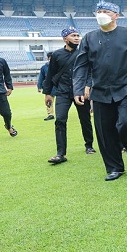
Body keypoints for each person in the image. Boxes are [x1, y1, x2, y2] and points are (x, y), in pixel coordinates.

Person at [72, 0, 127, 181]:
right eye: (99, 11)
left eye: (106, 11)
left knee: (126, 123)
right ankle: (115, 167)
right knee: (104, 131)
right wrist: (78, 89)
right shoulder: (89, 38)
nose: (102, 14)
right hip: (100, 91)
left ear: (116, 15)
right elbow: (81, 66)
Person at [43, 27, 96, 165]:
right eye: (73, 35)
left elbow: (91, 72)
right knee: (60, 120)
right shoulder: (57, 55)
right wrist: (48, 93)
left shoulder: (84, 53)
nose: (77, 38)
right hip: (63, 92)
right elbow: (50, 75)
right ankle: (60, 153)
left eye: (78, 35)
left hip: (80, 92)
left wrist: (88, 86)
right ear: (65, 38)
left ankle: (89, 145)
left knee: (85, 119)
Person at [37, 52, 55, 121]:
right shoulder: (44, 68)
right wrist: (39, 86)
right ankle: (50, 114)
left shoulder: (59, 65)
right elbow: (41, 77)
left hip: (59, 86)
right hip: (48, 86)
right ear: (48, 58)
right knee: (48, 101)